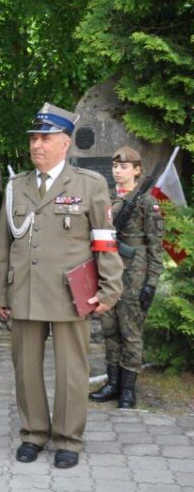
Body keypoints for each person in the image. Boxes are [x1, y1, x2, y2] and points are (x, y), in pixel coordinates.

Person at [0, 103, 124, 469]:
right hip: (26, 293)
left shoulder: (89, 185)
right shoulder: (16, 186)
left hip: (70, 295)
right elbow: (4, 246)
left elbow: (105, 241)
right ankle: (34, 434)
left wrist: (110, 288)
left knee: (71, 371)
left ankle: (68, 438)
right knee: (26, 368)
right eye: (34, 138)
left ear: (65, 143)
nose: (37, 145)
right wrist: (0, 293)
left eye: (45, 138)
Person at [90, 146, 163, 408]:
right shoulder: (107, 199)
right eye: (115, 167)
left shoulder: (146, 202)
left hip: (135, 275)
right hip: (110, 273)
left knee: (130, 332)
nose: (117, 171)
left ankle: (129, 390)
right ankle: (112, 383)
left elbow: (156, 246)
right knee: (110, 329)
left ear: (137, 170)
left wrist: (151, 282)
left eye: (123, 167)